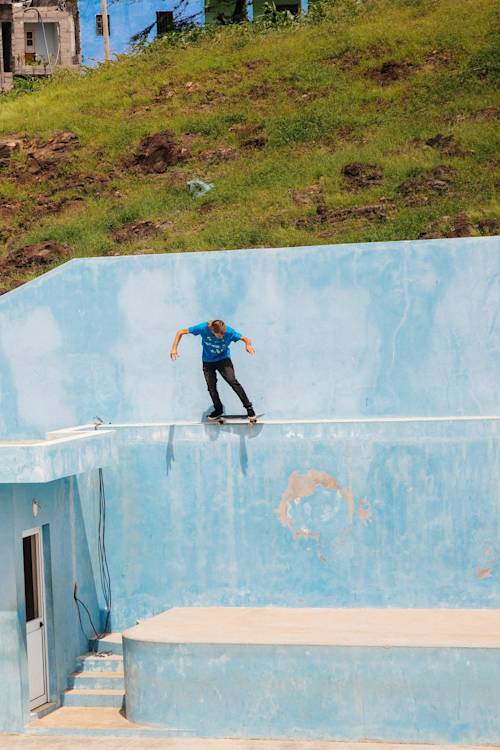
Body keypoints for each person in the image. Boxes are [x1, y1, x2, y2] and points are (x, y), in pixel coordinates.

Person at [170, 319, 256, 421]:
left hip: (223, 360)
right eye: (220, 335)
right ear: (212, 331)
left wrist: (248, 344)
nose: (222, 336)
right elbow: (180, 332)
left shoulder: (229, 332)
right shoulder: (203, 328)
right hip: (208, 362)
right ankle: (218, 409)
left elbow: (245, 338)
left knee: (232, 381)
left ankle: (249, 408)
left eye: (223, 334)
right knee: (211, 387)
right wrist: (174, 348)